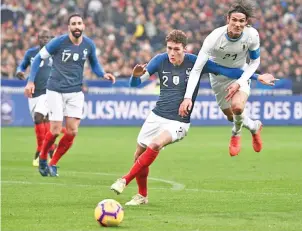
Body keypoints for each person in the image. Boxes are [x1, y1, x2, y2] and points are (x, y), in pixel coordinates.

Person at [110, 29, 276, 205]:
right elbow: (135, 84)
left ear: (185, 48)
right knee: (138, 157)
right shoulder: (159, 60)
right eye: (169, 48)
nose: (172, 53)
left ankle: (124, 180)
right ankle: (142, 196)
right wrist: (134, 77)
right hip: (156, 115)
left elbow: (225, 71)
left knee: (156, 144)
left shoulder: (195, 62)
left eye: (177, 49)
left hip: (179, 121)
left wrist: (258, 77)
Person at [24, 13, 116, 177]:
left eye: (79, 23)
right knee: (56, 130)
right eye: (73, 24)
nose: (76, 26)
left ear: (83, 26)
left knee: (72, 131)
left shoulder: (89, 44)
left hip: (75, 92)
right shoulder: (58, 42)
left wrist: (103, 74)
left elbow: (94, 63)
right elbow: (38, 58)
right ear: (69, 27)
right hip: (55, 90)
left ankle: (52, 164)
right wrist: (30, 81)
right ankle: (43, 158)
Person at [179, 0, 264, 156]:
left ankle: (236, 133)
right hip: (218, 79)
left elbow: (254, 62)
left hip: (240, 75)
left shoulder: (252, 35)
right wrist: (187, 97)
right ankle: (253, 126)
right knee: (231, 116)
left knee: (237, 107)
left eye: (241, 21)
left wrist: (239, 83)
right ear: (228, 20)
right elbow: (197, 70)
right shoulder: (214, 38)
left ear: (246, 23)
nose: (237, 24)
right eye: (234, 20)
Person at [16, 28, 57, 167]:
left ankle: (40, 151)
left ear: (51, 39)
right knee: (41, 120)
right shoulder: (31, 53)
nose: (45, 39)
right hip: (33, 92)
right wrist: (19, 71)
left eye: (48, 37)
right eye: (42, 37)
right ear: (38, 38)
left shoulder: (55, 53)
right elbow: (22, 65)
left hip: (48, 91)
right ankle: (49, 148)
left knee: (39, 116)